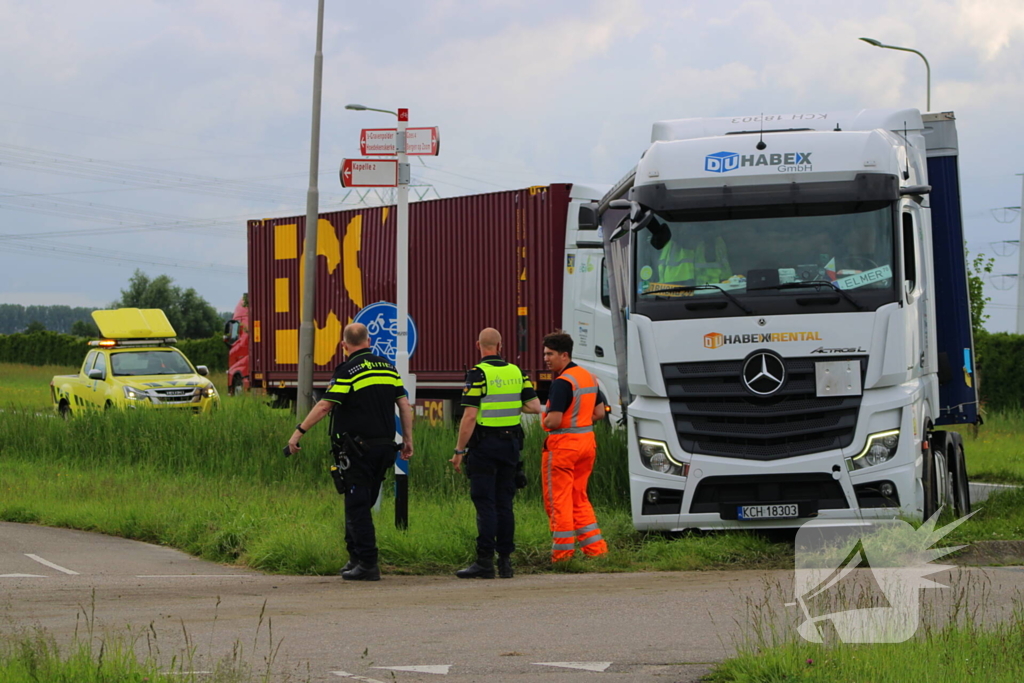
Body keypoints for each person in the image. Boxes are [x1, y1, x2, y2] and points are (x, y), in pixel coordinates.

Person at [288, 323, 413, 581]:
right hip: (385, 449)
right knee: (360, 503)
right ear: (369, 341)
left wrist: (299, 431)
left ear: (344, 345)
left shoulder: (347, 370)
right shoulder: (389, 368)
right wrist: (408, 440)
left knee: (357, 505)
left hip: (358, 451)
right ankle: (354, 558)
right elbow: (404, 405)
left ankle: (367, 563)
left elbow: (325, 406)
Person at [450, 328, 541, 579]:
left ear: (478, 344)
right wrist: (512, 405)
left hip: (485, 447)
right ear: (500, 345)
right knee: (505, 503)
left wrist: (459, 451)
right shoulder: (517, 372)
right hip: (511, 446)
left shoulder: (477, 374)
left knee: (485, 504)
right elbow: (534, 406)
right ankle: (506, 563)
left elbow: (469, 417)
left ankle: (484, 562)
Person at [540, 330, 609, 562]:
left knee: (558, 501)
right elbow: (599, 413)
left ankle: (562, 556)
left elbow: (554, 420)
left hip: (562, 448)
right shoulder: (588, 377)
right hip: (586, 444)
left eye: (550, 354)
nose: (546, 359)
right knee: (579, 498)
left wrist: (545, 419)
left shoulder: (562, 382)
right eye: (545, 354)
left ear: (564, 355)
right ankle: (597, 551)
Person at [650, 219, 731, 284]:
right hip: (673, 301)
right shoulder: (664, 245)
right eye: (681, 224)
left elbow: (728, 282)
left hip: (714, 299)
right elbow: (653, 287)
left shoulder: (716, 244)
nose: (688, 228)